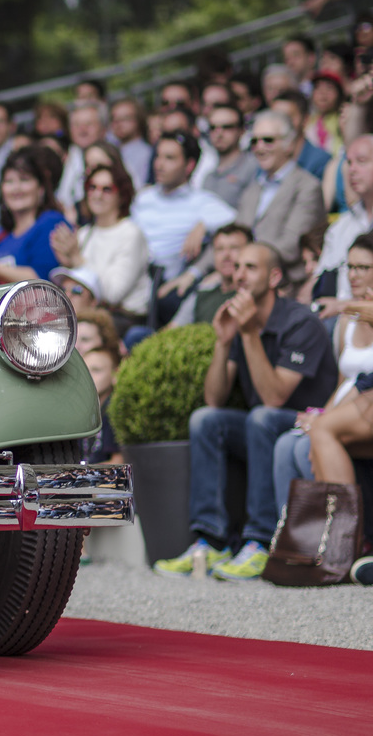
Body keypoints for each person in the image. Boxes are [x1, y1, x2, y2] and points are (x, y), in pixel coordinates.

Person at [153, 243, 338, 581]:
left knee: (261, 417)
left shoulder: (300, 322)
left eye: (250, 267)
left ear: (274, 277)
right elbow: (214, 398)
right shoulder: (241, 324)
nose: (239, 274)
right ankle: (211, 539)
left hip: (307, 424)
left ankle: (260, 540)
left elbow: (274, 397)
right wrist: (223, 342)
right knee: (205, 421)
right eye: (237, 267)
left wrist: (249, 331)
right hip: (263, 425)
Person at [274, 236, 373, 517]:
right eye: (350, 267)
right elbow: (344, 383)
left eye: (363, 267)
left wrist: (344, 305)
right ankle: (295, 540)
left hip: (360, 411)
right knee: (287, 444)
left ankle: (340, 539)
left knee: (314, 437)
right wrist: (322, 414)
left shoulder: (350, 311)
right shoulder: (347, 322)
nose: (353, 274)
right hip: (348, 409)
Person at [181, 110, 328, 290]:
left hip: (286, 286)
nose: (260, 147)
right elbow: (234, 236)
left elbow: (290, 246)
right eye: (254, 141)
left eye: (268, 140)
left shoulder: (307, 186)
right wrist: (194, 272)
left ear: (289, 144)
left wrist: (234, 267)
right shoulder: (253, 189)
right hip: (245, 280)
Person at [132, 132, 234, 295]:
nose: (159, 164)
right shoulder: (143, 197)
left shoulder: (202, 202)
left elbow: (239, 223)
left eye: (169, 158)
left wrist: (204, 225)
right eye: (158, 156)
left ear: (189, 165)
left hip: (165, 284)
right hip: (133, 277)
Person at [51, 162, 150, 328]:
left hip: (123, 319)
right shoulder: (85, 233)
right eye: (92, 187)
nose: (97, 195)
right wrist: (67, 264)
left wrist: (76, 258)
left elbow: (112, 294)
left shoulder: (131, 233)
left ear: (122, 195)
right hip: (88, 314)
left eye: (107, 189)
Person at [314, 134, 373, 317]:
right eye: (348, 162)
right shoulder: (340, 227)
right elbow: (318, 284)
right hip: (336, 324)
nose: (351, 170)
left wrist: (342, 306)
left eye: (361, 161)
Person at [0, 148, 63, 282]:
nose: (16, 188)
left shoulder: (51, 222)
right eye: (9, 181)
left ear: (41, 189)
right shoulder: (0, 238)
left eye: (24, 180)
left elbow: (42, 280)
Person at [169, 224, 251, 328]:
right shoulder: (202, 293)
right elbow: (172, 330)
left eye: (234, 248)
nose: (226, 255)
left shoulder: (256, 294)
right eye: (220, 249)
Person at [191, 102, 252, 205]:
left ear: (242, 130)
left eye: (227, 127)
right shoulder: (205, 171)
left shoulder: (254, 167)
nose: (218, 133)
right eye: (213, 128)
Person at [54, 100, 107, 212]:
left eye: (89, 124)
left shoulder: (112, 157)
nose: (82, 130)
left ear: (103, 129)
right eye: (76, 125)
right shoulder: (62, 158)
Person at [269, 90, 332, 181]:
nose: (280, 123)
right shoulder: (265, 158)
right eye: (274, 117)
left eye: (287, 117)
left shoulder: (320, 161)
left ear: (305, 119)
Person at [109, 98, 152, 187]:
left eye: (125, 118)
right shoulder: (111, 149)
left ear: (138, 120)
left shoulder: (147, 153)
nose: (118, 123)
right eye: (114, 119)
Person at [305, 70, 344, 153]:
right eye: (317, 87)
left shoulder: (344, 118)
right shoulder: (307, 121)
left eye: (329, 88)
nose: (323, 93)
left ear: (339, 93)